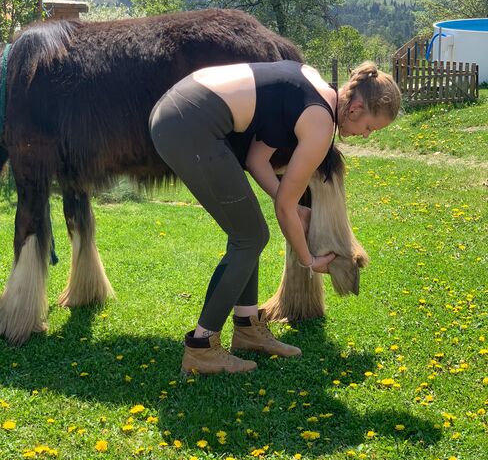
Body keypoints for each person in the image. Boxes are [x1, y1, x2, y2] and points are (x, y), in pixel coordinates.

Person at [149, 60, 401, 374]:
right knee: (251, 236)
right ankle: (202, 347)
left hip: (180, 110)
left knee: (247, 232)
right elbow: (283, 206)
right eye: (369, 128)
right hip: (188, 122)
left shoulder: (311, 85)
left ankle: (247, 327)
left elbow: (257, 160)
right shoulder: (320, 124)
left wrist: (291, 205)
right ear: (356, 108)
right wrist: (309, 260)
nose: (365, 136)